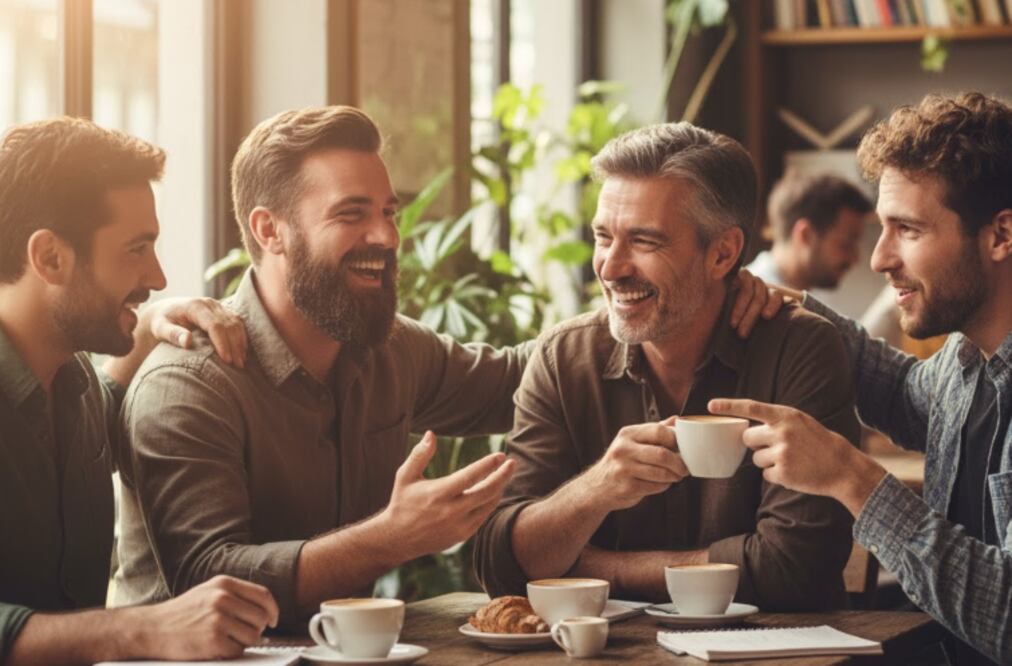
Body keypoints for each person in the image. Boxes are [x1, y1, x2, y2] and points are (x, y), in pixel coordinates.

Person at [111, 106, 526, 628]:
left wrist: (632, 293)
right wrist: (390, 537)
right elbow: (205, 576)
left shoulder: (388, 350)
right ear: (270, 230)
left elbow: (517, 380)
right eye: (352, 214)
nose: (387, 236)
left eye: (388, 212)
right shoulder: (188, 383)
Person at [473, 122, 859, 610]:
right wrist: (595, 490)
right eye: (602, 236)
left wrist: (598, 569)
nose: (611, 268)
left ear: (722, 253)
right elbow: (501, 563)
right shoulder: (561, 358)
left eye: (644, 241)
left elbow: (791, 568)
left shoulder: (799, 350)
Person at [710, 92, 1012, 664]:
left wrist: (851, 477)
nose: (878, 258)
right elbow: (901, 393)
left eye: (908, 230)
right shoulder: (966, 360)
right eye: (880, 228)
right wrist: (793, 305)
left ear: (1001, 235)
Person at [0, 117, 280, 663]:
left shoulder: (73, 386)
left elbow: (100, 409)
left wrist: (145, 323)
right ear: (50, 257)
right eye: (136, 249)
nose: (157, 274)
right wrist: (141, 629)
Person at [747, 170, 871, 292]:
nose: (855, 259)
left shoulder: (801, 295)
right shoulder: (752, 302)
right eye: (846, 244)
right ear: (805, 235)